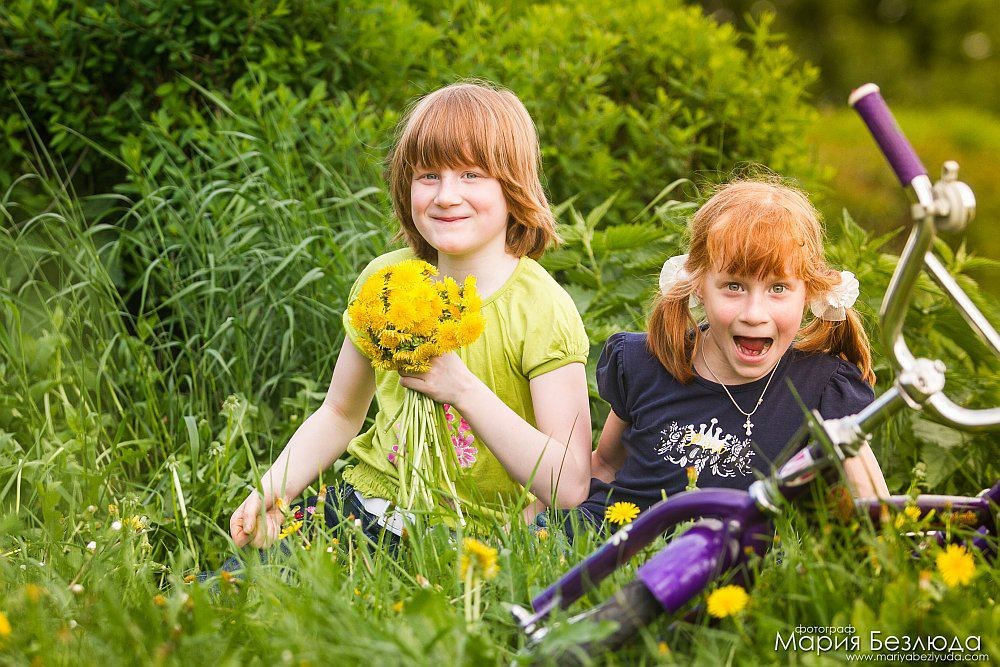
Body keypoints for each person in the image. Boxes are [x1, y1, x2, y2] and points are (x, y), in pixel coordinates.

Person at [227, 81, 592, 553]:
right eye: (428, 176)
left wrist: (459, 388)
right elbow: (339, 413)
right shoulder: (386, 280)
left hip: (477, 538)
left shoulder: (541, 309)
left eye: (471, 175)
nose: (445, 196)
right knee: (233, 599)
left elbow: (569, 485)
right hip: (363, 508)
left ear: (514, 187)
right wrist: (273, 487)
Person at [567, 179, 889, 534]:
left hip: (733, 570)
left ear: (809, 293)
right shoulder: (649, 362)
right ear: (699, 285)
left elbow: (874, 514)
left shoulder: (824, 389)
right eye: (734, 286)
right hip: (615, 548)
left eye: (778, 289)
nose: (754, 313)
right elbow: (607, 466)